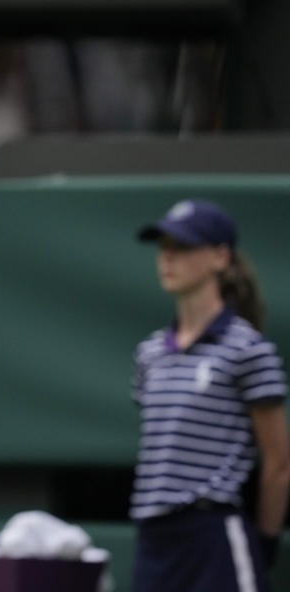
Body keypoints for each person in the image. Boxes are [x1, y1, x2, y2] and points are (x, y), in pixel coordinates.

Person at [130, 199, 290, 592]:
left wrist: (266, 542)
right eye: (164, 248)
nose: (168, 258)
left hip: (213, 535)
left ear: (221, 257)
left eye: (182, 247)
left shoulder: (249, 350)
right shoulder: (149, 354)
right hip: (153, 540)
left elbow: (279, 464)